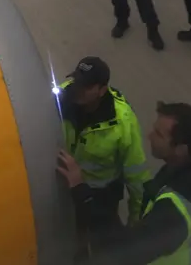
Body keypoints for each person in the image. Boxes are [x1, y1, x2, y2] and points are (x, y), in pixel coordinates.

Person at [58, 101, 191, 264]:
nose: (149, 136)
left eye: (158, 134)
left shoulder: (175, 212)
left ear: (181, 149)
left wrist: (82, 190)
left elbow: (125, 250)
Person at [55, 56, 151, 259]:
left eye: (86, 86)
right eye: (77, 82)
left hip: (100, 196)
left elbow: (137, 177)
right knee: (72, 231)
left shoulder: (122, 123)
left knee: (104, 245)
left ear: (102, 90)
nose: (78, 89)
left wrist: (136, 223)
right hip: (67, 187)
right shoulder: (61, 98)